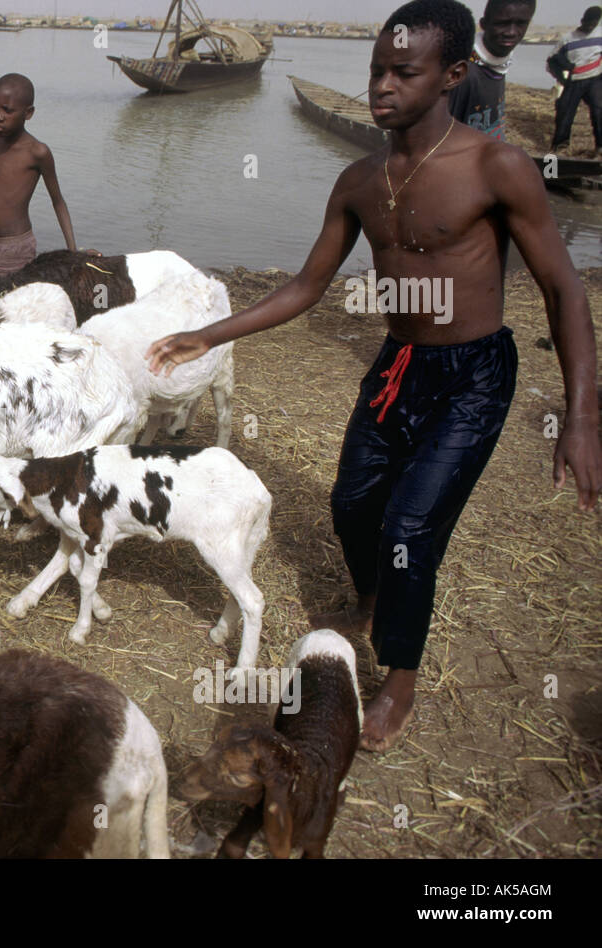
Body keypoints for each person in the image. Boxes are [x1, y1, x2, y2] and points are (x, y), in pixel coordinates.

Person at [146, 0, 601, 753]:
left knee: (409, 525)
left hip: (473, 375)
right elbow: (306, 286)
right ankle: (376, 596)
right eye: (375, 71)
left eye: (402, 72)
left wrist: (582, 417)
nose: (381, 86)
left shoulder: (497, 167)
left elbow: (564, 287)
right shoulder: (360, 179)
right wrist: (209, 334)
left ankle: (399, 676)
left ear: (453, 75)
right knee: (353, 505)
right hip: (398, 366)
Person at [0, 73, 81, 282]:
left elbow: (57, 201)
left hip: (15, 248)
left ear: (28, 113)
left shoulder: (37, 152)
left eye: (8, 110)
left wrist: (73, 250)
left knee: (14, 306)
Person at [447, 0, 534, 139]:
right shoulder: (463, 71)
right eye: (502, 23)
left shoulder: (499, 63)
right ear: (483, 24)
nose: (511, 32)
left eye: (521, 23)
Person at [549, 6, 602, 154]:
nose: (591, 26)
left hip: (595, 79)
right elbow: (551, 60)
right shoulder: (567, 39)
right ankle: (560, 146)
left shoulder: (600, 34)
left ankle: (600, 146)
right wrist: (562, 77)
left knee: (599, 110)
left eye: (594, 23)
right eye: (588, 23)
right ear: (582, 21)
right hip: (575, 81)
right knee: (565, 113)